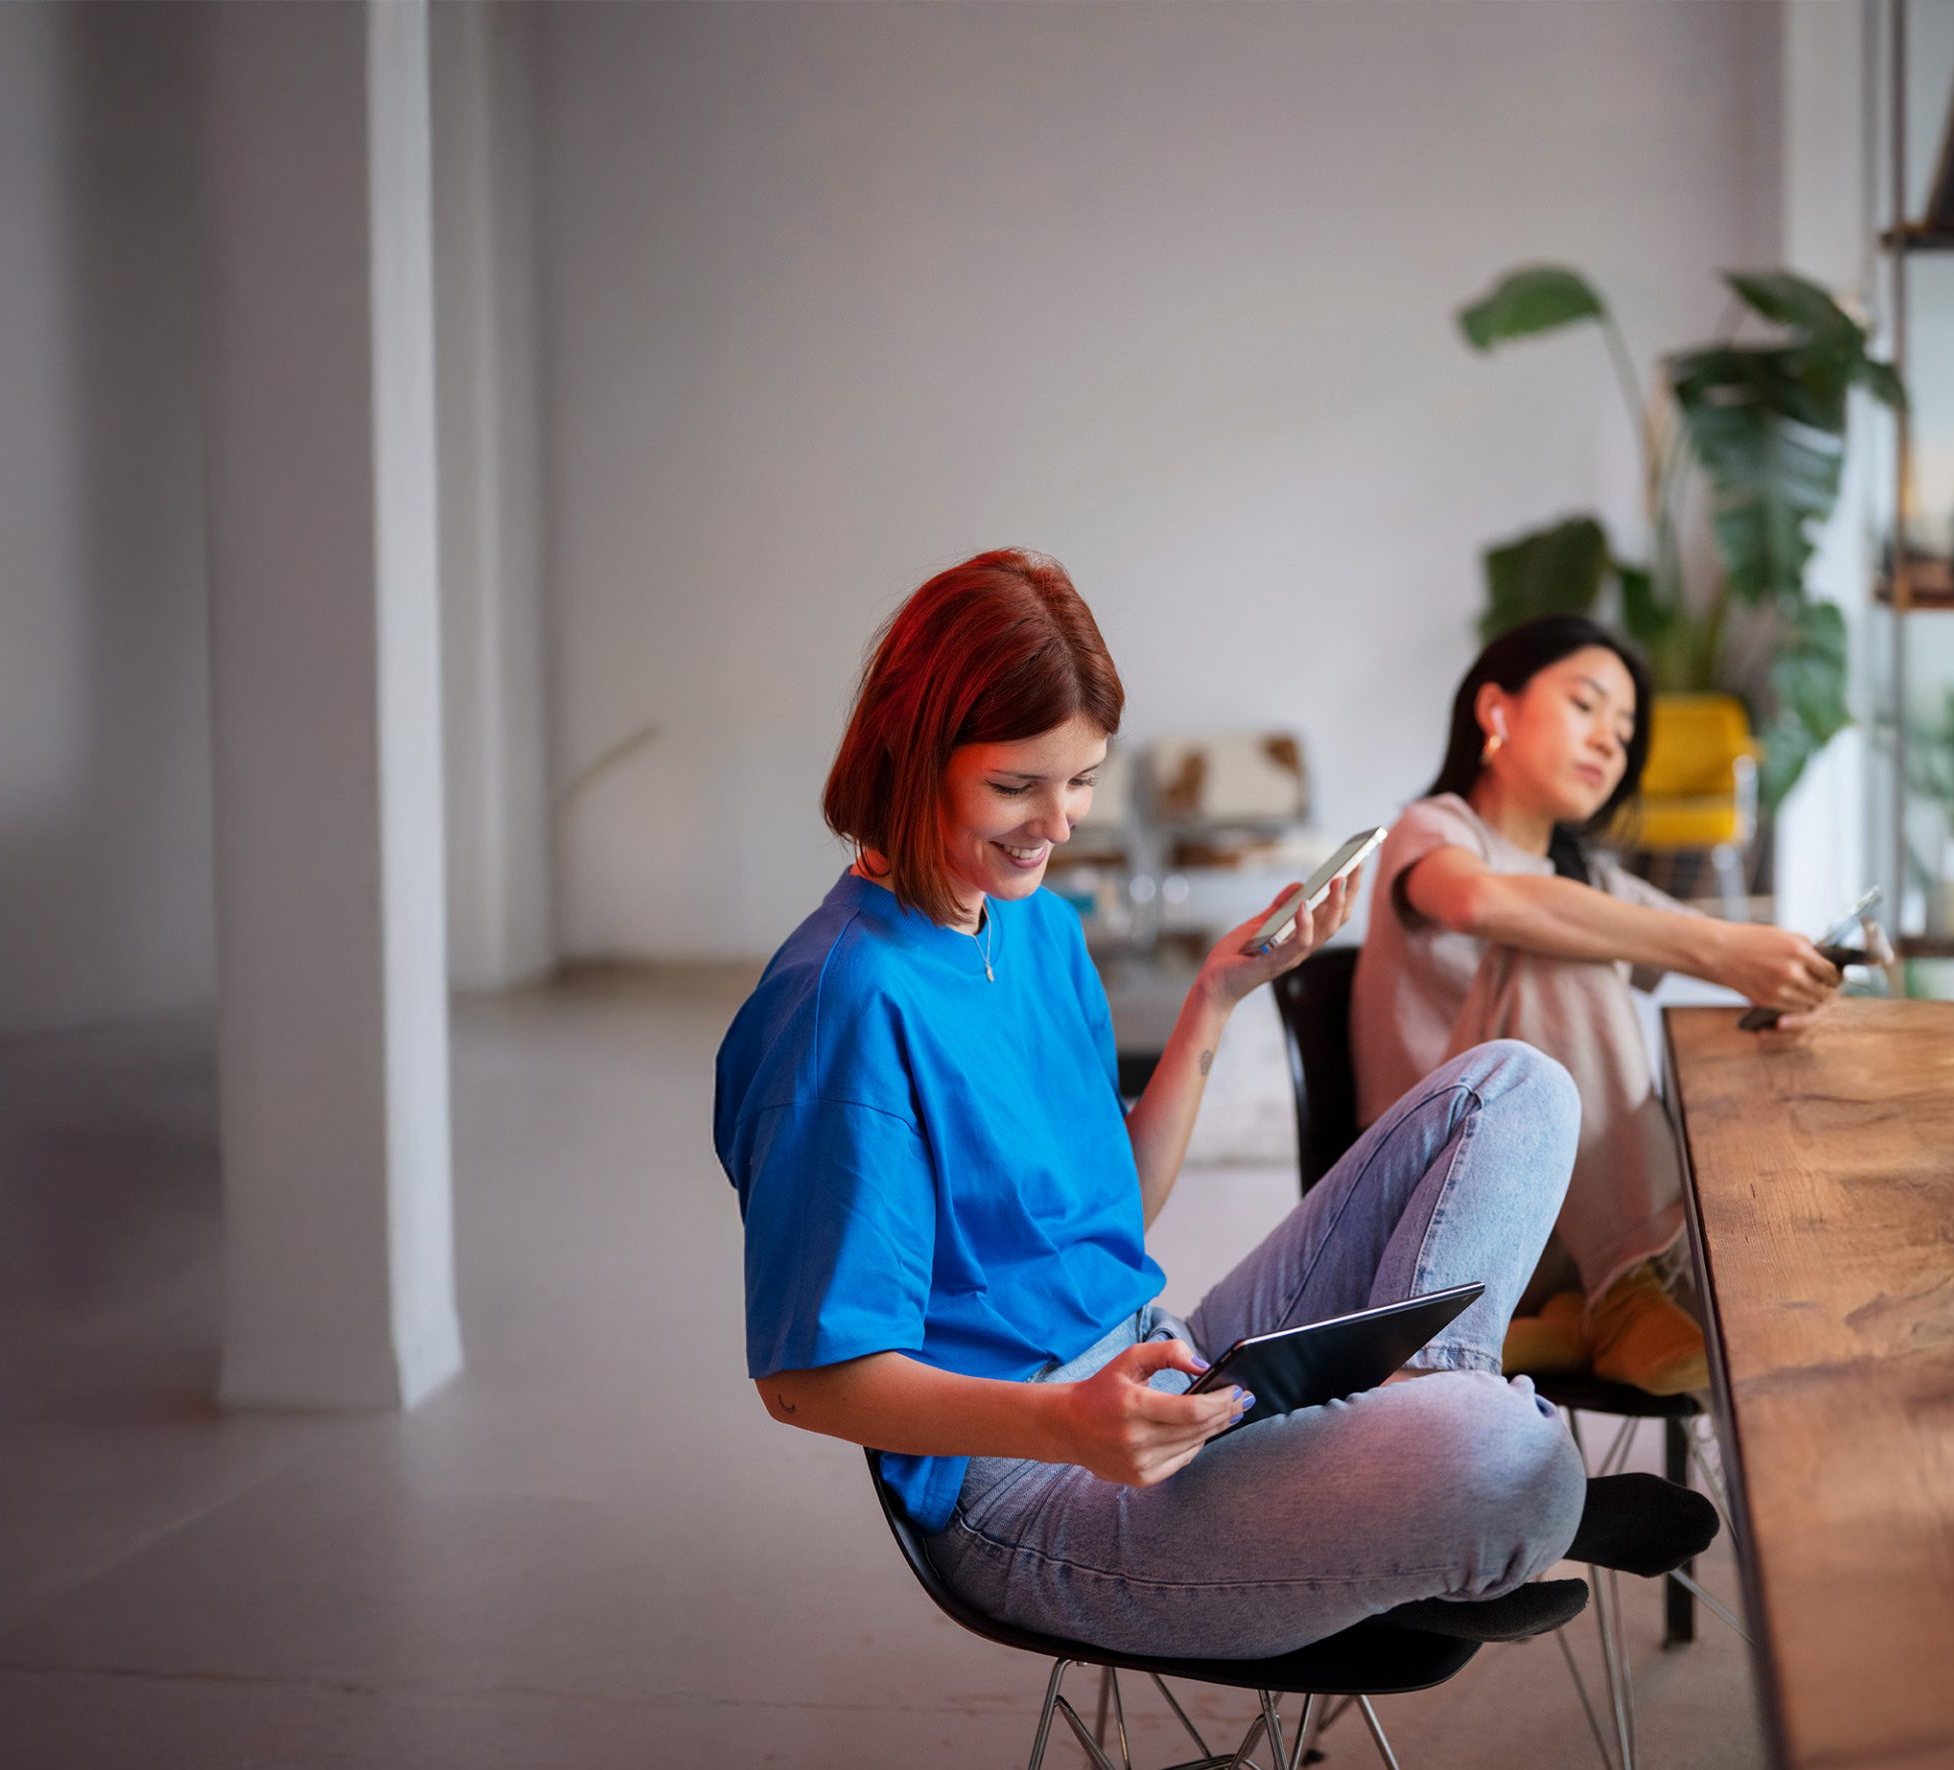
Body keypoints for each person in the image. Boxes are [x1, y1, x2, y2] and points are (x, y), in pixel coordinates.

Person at [715, 551, 1716, 1661]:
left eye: (1083, 778)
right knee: (1497, 1452)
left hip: (1161, 1359)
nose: (1059, 823)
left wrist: (1215, 999)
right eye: (1017, 786)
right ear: (910, 753)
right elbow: (805, 1384)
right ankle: (1460, 1485)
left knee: (1519, 1085)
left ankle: (1434, 1470)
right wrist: (1067, 1426)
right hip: (1027, 1488)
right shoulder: (838, 1005)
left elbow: (1110, 1221)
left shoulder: (1032, 924)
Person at [1350, 616, 1840, 1397]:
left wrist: (1788, 971)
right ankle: (1627, 1298)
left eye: (1625, 730)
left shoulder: (1584, 878)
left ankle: (1575, 1315)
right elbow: (1482, 902)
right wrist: (1716, 952)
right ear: (1497, 711)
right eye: (1587, 706)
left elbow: (1693, 936)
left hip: (1545, 1214)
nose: (1611, 743)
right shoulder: (1434, 829)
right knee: (1553, 938)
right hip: (1433, 1210)